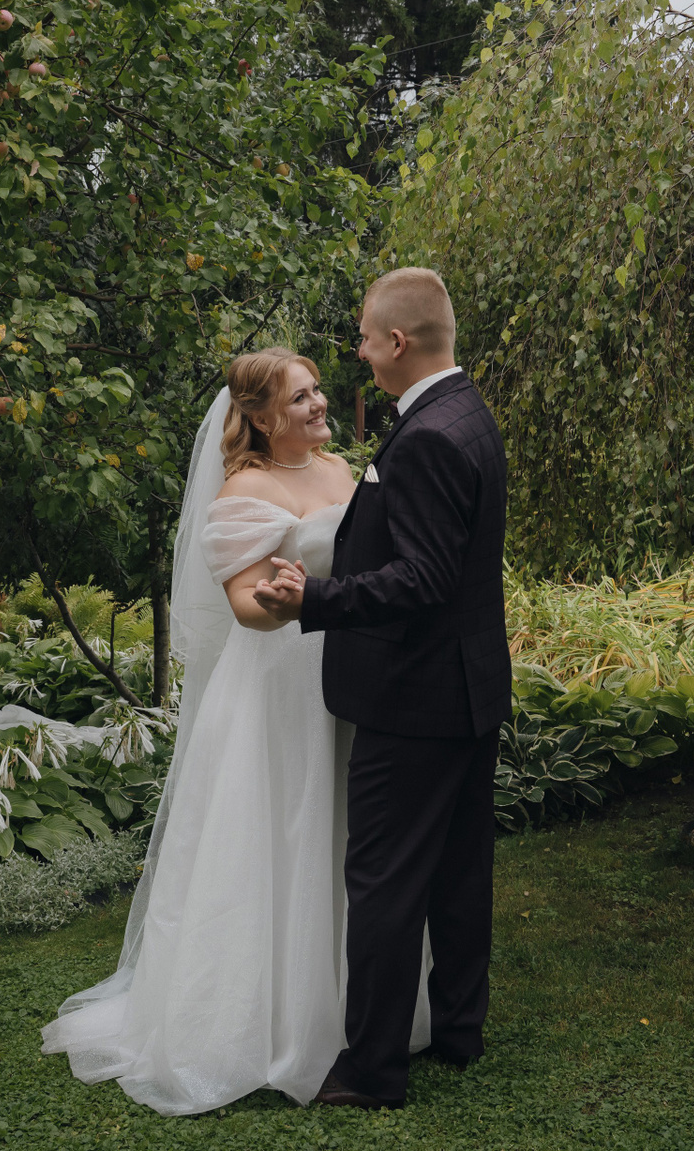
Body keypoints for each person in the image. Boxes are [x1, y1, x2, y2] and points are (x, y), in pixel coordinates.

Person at [39, 346, 430, 1115]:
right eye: (299, 398)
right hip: (277, 692)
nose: (319, 404)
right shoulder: (244, 490)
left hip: (348, 680)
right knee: (276, 837)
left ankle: (357, 1011)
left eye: (317, 390)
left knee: (349, 839)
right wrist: (293, 599)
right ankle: (259, 1028)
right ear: (260, 417)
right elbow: (248, 608)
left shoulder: (342, 470)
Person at [256, 266, 511, 1110]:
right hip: (468, 688)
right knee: (459, 873)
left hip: (415, 697)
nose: (359, 353)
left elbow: (425, 578)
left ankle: (371, 1069)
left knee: (385, 881)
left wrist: (318, 599)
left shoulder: (429, 434)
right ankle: (460, 1029)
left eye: (365, 338)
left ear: (397, 342)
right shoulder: (467, 411)